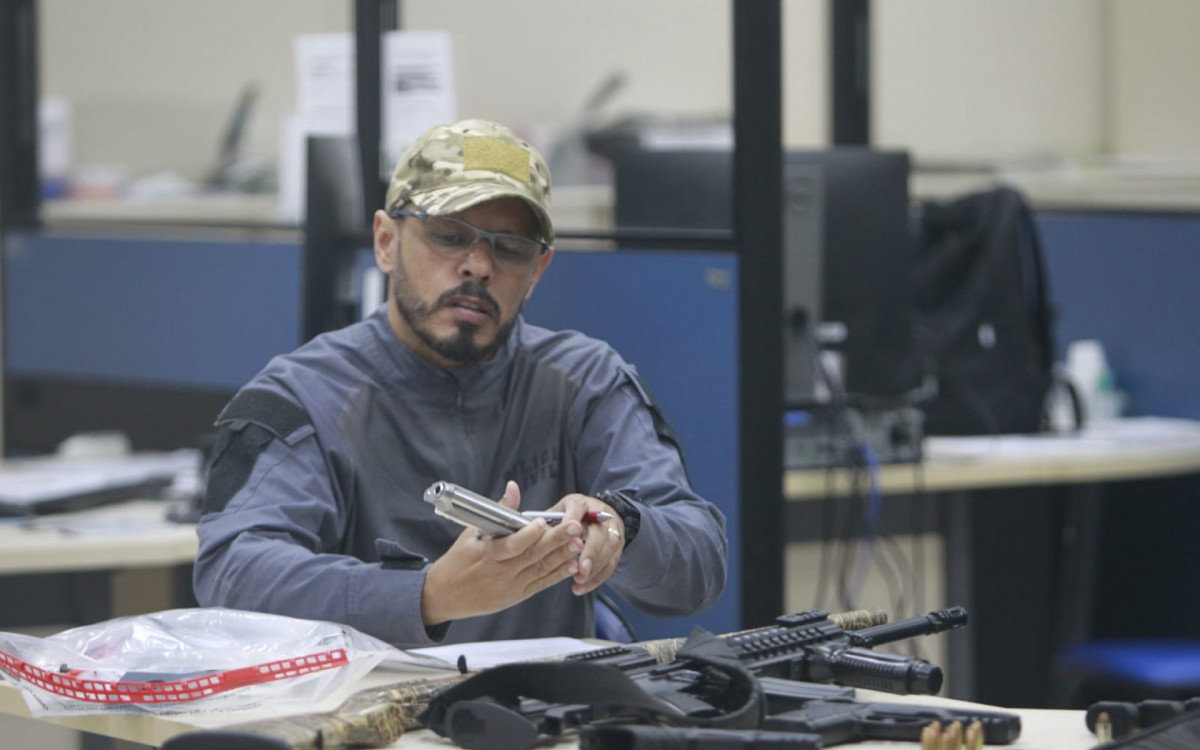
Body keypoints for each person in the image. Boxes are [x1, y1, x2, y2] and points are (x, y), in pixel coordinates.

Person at [193, 118, 727, 647]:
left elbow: (700, 562)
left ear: (538, 270)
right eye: (449, 236)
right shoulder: (304, 394)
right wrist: (429, 595)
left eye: (510, 248)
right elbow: (233, 575)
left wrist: (624, 526)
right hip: (368, 723)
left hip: (543, 718)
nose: (478, 266)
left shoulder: (584, 382)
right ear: (385, 241)